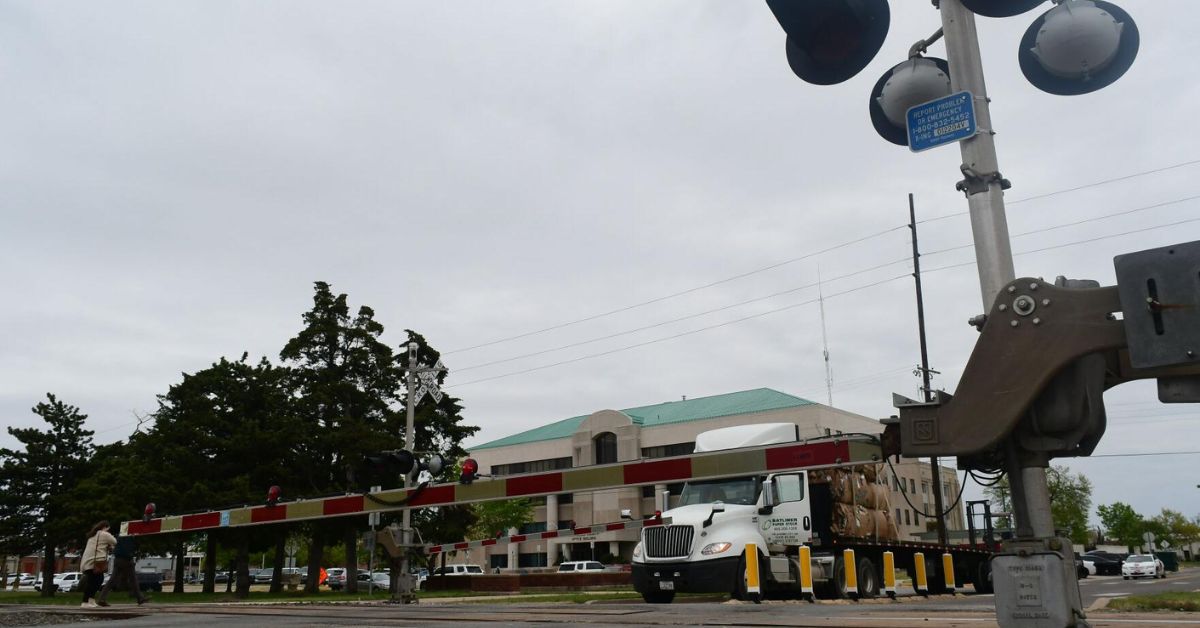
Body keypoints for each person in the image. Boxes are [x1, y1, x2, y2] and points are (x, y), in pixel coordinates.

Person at [97, 534, 147, 606]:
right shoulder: (129, 538)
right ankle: (140, 598)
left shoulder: (119, 537)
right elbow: (128, 549)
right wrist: (131, 556)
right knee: (133, 579)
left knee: (112, 580)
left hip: (117, 559)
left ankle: (102, 598)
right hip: (126, 560)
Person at [80, 520, 116, 608]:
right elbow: (114, 541)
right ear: (105, 527)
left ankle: (91, 600)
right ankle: (85, 602)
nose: (108, 531)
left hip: (88, 561)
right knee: (94, 582)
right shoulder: (104, 534)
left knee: (96, 580)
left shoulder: (92, 535)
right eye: (108, 529)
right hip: (95, 562)